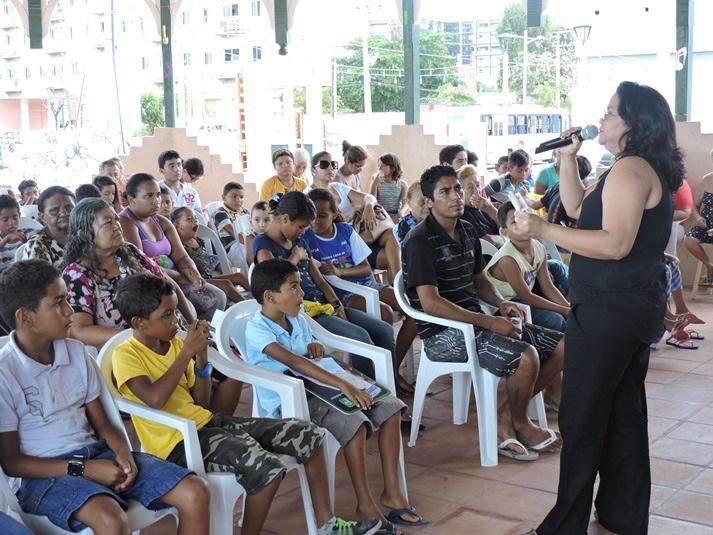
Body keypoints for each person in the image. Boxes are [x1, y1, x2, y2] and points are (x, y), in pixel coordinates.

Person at [515, 81, 683, 535]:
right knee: (622, 412)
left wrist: (542, 231)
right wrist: (566, 158)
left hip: (611, 308)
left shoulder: (630, 171)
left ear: (634, 124)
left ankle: (564, 526)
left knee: (583, 417)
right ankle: (621, 514)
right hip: (625, 306)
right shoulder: (624, 167)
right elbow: (575, 207)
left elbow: (613, 244)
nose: (601, 119)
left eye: (610, 112)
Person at [112, 273, 380, 535]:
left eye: (174, 312)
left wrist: (201, 360)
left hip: (206, 424)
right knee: (267, 470)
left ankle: (327, 526)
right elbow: (154, 399)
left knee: (309, 435)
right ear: (140, 322)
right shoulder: (125, 354)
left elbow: (202, 403)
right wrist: (185, 354)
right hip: (176, 444)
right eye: (167, 315)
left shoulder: (172, 344)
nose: (176, 321)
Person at [0, 261, 210, 535]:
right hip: (43, 478)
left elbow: (105, 424)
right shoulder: (6, 372)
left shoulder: (76, 353)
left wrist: (123, 454)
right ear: (26, 318)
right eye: (58, 303)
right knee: (111, 520)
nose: (70, 311)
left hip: (100, 456)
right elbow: (12, 462)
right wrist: (84, 469)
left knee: (195, 492)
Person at [246, 259, 427, 531]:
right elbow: (295, 363)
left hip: (322, 388)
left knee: (390, 408)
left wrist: (316, 347)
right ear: (270, 296)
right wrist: (344, 385)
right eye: (294, 288)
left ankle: (392, 492)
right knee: (354, 423)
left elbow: (308, 353)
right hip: (294, 399)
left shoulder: (296, 318)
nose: (302, 294)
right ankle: (364, 503)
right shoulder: (257, 328)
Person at [402, 165, 564, 461]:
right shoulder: (419, 241)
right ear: (428, 201)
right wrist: (489, 321)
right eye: (445, 192)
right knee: (526, 356)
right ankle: (519, 424)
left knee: (564, 346)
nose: (455, 197)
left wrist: (501, 304)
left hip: (476, 321)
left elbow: (479, 281)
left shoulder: (465, 230)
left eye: (457, 189)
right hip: (443, 334)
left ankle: (508, 418)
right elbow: (431, 304)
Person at [253, 192, 399, 390]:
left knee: (383, 330)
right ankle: (369, 395)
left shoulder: (299, 242)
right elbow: (273, 283)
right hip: (301, 312)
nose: (305, 231)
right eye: (301, 226)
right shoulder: (263, 245)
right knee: (361, 337)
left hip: (324, 305)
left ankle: (392, 391)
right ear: (285, 219)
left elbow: (320, 281)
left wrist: (336, 304)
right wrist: (295, 258)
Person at [304, 188, 419, 393]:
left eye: (322, 215)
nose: (316, 222)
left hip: (367, 283)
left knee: (412, 306)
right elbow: (320, 277)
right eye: (312, 216)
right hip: (344, 293)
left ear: (334, 213)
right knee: (383, 312)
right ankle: (381, 373)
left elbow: (366, 267)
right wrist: (339, 276)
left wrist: (340, 270)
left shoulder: (345, 231)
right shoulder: (307, 238)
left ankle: (392, 367)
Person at [62, 197, 195, 349]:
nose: (117, 226)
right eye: (108, 222)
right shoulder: (77, 275)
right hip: (129, 353)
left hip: (172, 335)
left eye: (116, 219)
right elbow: (79, 331)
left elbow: (170, 285)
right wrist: (141, 336)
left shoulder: (130, 252)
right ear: (85, 234)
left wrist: (192, 324)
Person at [119, 173, 226, 321]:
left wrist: (194, 276)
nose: (156, 201)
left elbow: (181, 256)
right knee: (190, 310)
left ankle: (204, 335)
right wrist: (180, 277)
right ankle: (190, 335)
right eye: (149, 196)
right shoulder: (125, 223)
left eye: (157, 195)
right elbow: (142, 266)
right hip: (153, 287)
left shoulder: (162, 221)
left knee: (217, 297)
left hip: (178, 280)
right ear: (131, 200)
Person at [310, 151, 402, 283]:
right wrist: (352, 213)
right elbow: (320, 226)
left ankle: (396, 292)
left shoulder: (338, 187)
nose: (330, 168)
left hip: (364, 233)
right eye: (324, 164)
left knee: (392, 235)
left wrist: (369, 206)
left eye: (333, 164)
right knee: (395, 258)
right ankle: (397, 292)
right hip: (346, 245)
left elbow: (368, 197)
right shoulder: (309, 195)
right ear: (313, 170)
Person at [485, 201, 568, 332]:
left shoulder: (538, 246)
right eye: (514, 222)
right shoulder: (508, 259)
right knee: (556, 320)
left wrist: (568, 308)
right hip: (502, 306)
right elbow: (527, 297)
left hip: (522, 301)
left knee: (568, 313)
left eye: (524, 217)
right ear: (505, 232)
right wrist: (563, 310)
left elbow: (547, 286)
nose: (523, 224)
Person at [172, 207, 250, 303]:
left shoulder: (197, 241)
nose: (195, 221)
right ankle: (246, 306)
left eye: (195, 218)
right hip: (193, 283)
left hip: (206, 278)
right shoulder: (178, 246)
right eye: (189, 219)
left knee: (239, 276)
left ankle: (259, 299)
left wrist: (219, 265)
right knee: (225, 284)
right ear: (176, 226)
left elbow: (207, 259)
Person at [20, 186, 75, 267]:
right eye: (54, 210)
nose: (64, 213)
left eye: (69, 207)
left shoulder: (84, 235)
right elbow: (39, 279)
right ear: (42, 217)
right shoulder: (37, 246)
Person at [457, 164, 503, 247]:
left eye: (478, 185)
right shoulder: (463, 213)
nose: (476, 191)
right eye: (470, 187)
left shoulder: (483, 206)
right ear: (461, 192)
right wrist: (506, 238)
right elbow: (489, 241)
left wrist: (490, 208)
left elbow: (506, 228)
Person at [684, 170, 713, 285]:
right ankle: (710, 265)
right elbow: (694, 205)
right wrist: (698, 218)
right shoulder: (706, 180)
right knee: (689, 239)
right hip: (706, 228)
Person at [157, 150, 204, 215]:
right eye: (172, 166)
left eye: (179, 165)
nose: (177, 169)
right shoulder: (156, 190)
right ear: (162, 171)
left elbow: (199, 216)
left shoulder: (192, 192)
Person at [369, 153, 408, 221]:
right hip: (380, 215)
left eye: (382, 166)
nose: (379, 168)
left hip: (396, 216)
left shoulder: (403, 185)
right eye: (379, 166)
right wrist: (375, 183)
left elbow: (406, 204)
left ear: (393, 168)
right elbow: (372, 200)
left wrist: (400, 213)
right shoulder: (377, 183)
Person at [393, 181, 428, 247]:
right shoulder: (403, 227)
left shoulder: (435, 222)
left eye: (429, 201)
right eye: (422, 201)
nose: (427, 206)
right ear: (409, 202)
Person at [0, 194, 30, 268]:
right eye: (5, 220)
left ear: (19, 216)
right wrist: (6, 240)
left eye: (15, 218)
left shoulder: (29, 233)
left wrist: (27, 243)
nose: (11, 223)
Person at [245, 200, 272, 266]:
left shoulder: (273, 236)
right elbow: (251, 262)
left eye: (266, 220)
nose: (262, 224)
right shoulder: (250, 238)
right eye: (257, 220)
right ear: (251, 222)